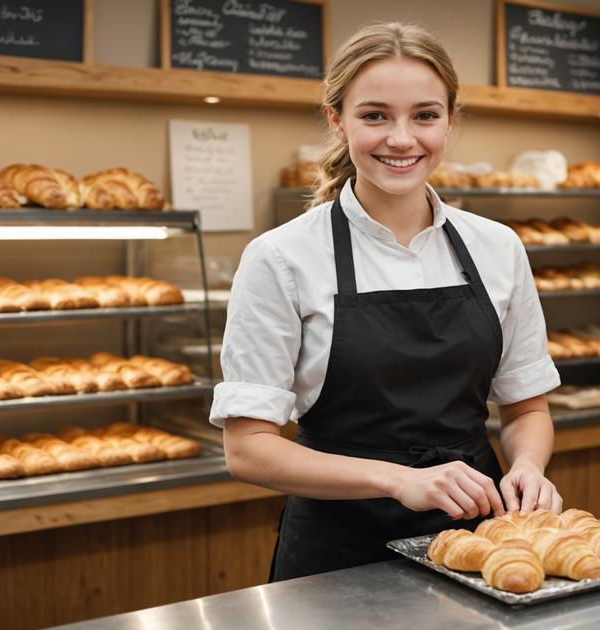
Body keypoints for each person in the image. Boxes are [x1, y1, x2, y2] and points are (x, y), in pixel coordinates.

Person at [210, 22, 563, 581]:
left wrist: (527, 465)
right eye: (375, 115)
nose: (402, 139)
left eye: (425, 115)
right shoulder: (281, 256)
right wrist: (398, 479)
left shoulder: (498, 247)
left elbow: (525, 408)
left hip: (478, 539)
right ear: (338, 120)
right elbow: (248, 449)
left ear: (449, 121)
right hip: (336, 552)